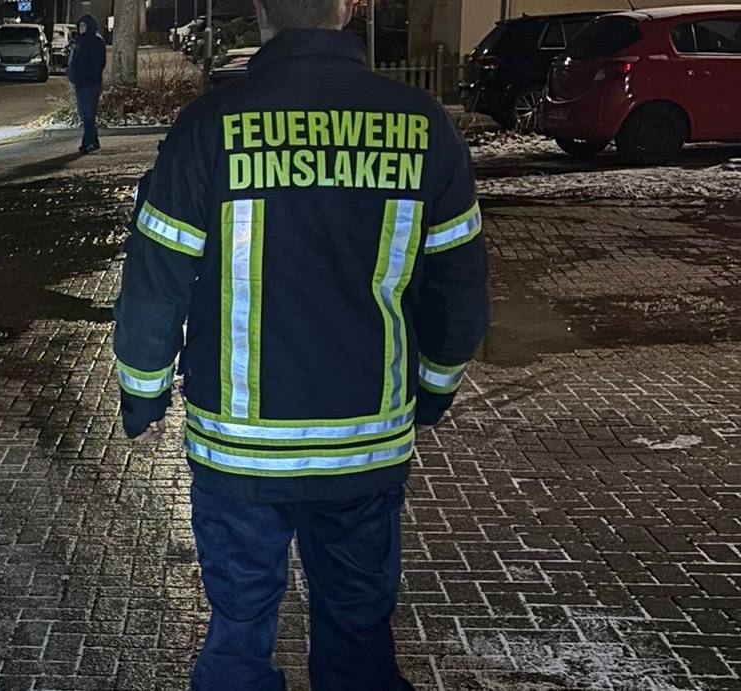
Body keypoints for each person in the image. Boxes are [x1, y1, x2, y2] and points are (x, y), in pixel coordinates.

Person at [111, 0, 490, 687]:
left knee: (238, 633)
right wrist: (434, 389)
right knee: (357, 636)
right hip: (363, 448)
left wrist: (143, 394)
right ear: (346, 7)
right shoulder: (422, 126)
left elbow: (155, 280)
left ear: (260, 8)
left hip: (240, 450)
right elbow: (459, 291)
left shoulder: (210, 126)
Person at [67, 14, 106, 154]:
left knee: (88, 113)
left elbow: (98, 63)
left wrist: (87, 74)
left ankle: (88, 142)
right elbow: (74, 61)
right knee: (84, 114)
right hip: (80, 82)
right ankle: (92, 140)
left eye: (84, 25)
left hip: (91, 82)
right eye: (80, 25)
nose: (81, 28)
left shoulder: (96, 42)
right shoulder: (78, 41)